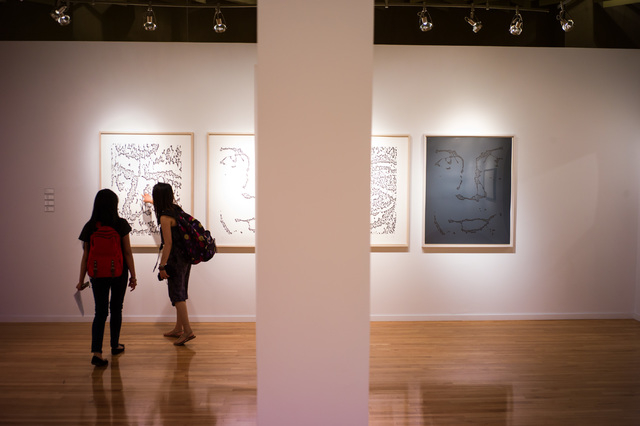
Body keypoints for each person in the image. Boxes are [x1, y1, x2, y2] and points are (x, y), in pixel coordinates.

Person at [77, 189, 137, 367]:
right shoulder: (120, 224)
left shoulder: (90, 226)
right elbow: (127, 252)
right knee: (116, 309)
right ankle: (115, 345)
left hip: (97, 274)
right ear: (114, 205)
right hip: (118, 272)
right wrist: (133, 276)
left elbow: (86, 256)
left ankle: (97, 352)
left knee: (100, 312)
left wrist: (80, 280)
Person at [144, 183, 196, 346]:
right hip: (185, 259)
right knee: (181, 292)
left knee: (177, 295)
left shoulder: (165, 217)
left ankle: (187, 331)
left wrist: (162, 266)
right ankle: (179, 329)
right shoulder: (176, 209)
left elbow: (168, 244)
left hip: (175, 261)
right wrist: (150, 201)